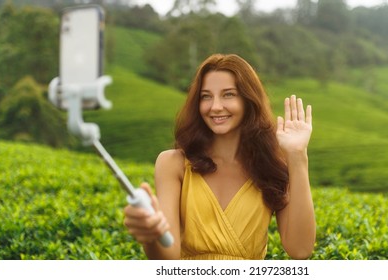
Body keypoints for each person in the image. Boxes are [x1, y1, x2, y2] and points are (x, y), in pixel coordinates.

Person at [123, 54, 315, 260]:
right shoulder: (173, 164)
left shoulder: (271, 167)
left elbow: (300, 250)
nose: (215, 106)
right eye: (206, 96)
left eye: (228, 94)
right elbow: (167, 258)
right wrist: (151, 235)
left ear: (248, 100)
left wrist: (298, 156)